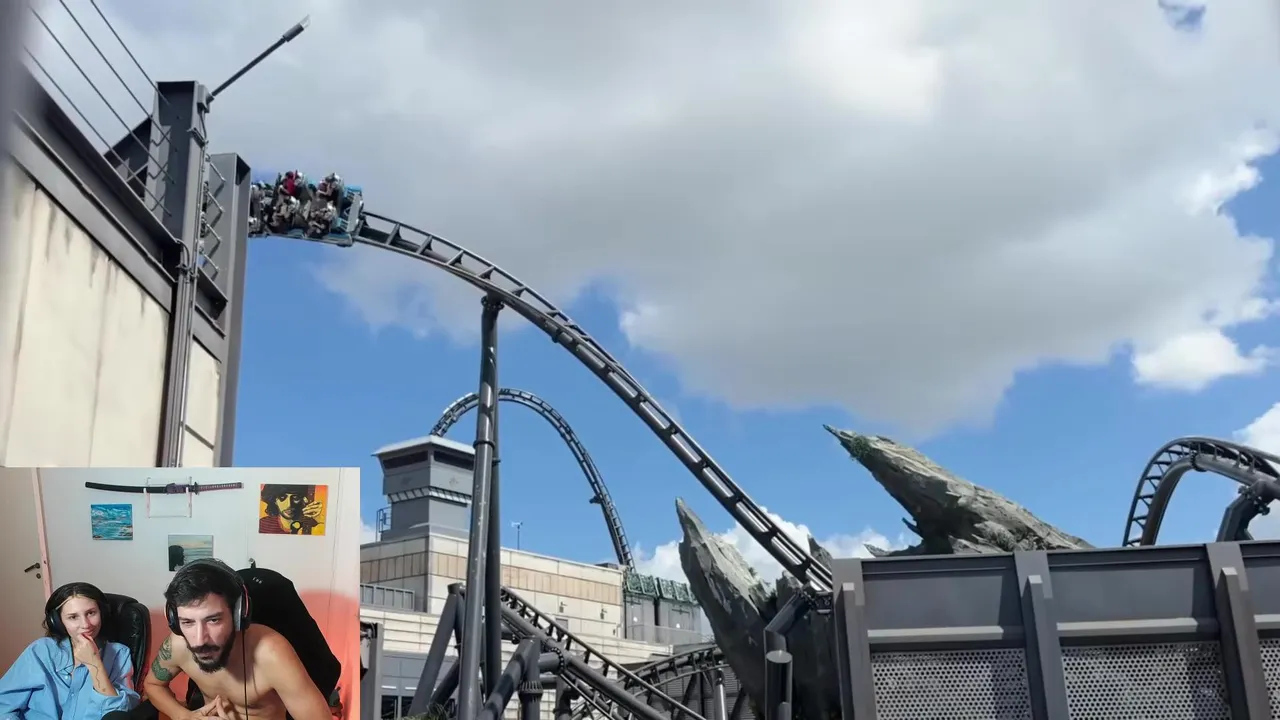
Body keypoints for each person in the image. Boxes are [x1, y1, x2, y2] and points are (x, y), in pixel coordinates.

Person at [143, 559, 331, 720]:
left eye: (213, 620)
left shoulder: (271, 653)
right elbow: (153, 685)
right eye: (187, 622)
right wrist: (183, 716)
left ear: (237, 615)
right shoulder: (178, 644)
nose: (199, 640)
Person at [0, 582, 141, 720]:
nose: (85, 625)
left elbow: (119, 713)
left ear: (101, 613)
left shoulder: (119, 654)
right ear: (58, 621)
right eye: (73, 617)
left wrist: (95, 664)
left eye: (91, 613)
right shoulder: (41, 651)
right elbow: (4, 704)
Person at [258, 486, 324, 536]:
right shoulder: (263, 525)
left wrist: (320, 519)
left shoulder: (313, 524)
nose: (289, 505)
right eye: (282, 497)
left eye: (296, 498)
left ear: (304, 499)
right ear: (274, 500)